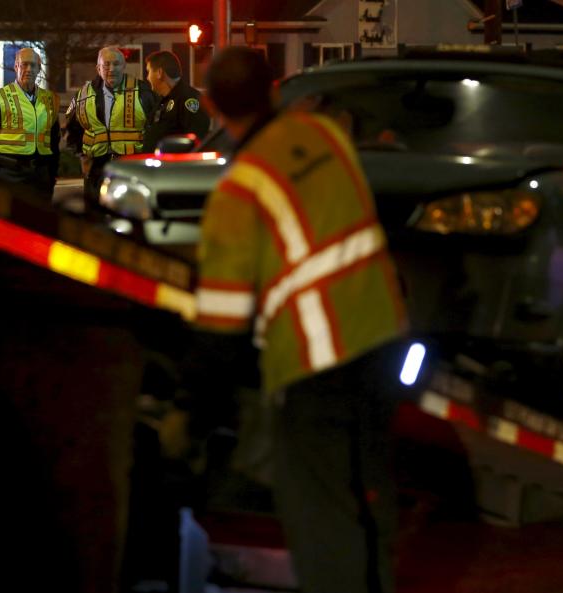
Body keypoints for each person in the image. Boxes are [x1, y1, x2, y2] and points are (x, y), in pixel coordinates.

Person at [189, 46, 408, 593]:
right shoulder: (328, 136)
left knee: (321, 514)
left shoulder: (238, 193)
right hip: (383, 340)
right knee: (368, 492)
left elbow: (221, 331)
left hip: (317, 364)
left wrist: (194, 417)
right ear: (274, 89)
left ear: (213, 106)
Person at [66, 46, 156, 210]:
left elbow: (156, 129)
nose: (111, 69)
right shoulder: (83, 95)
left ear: (124, 66)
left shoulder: (143, 92)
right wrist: (81, 155)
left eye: (116, 64)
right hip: (96, 170)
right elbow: (72, 131)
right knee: (95, 221)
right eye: (106, 64)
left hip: (133, 169)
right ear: (98, 68)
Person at [0, 47, 61, 196]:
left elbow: (54, 139)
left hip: (41, 174)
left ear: (39, 69)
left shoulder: (50, 99)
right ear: (16, 67)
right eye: (24, 65)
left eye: (33, 65)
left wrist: (52, 172)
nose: (29, 69)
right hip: (10, 173)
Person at [141, 50, 210, 153]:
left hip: (174, 167)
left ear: (159, 73)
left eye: (149, 71)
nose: (147, 77)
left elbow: (196, 141)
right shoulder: (163, 100)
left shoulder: (188, 99)